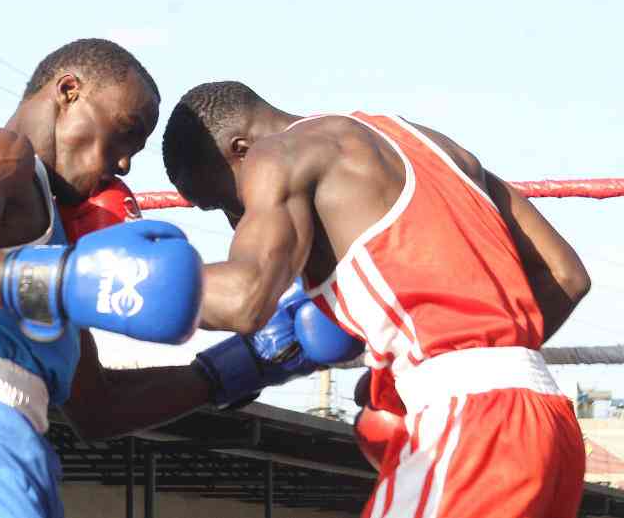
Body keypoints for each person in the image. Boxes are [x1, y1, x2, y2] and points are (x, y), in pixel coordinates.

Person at [0, 39, 340, 518]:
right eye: (124, 133)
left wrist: (245, 365)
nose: (124, 164)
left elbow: (99, 408)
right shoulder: (1, 154)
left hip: (2, 444)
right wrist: (62, 278)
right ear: (69, 91)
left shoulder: (55, 249)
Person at [161, 81, 591, 518]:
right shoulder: (432, 143)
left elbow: (244, 298)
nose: (238, 221)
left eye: (226, 202)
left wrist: (121, 280)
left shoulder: (275, 155)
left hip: (474, 426)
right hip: (549, 423)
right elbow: (566, 275)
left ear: (241, 149)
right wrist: (415, 373)